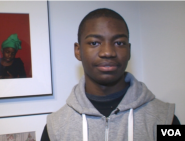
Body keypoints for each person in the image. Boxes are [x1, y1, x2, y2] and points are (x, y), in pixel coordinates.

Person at [41, 8, 180, 141]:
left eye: (119, 43)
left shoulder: (166, 119)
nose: (108, 52)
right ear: (78, 51)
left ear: (129, 50)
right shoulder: (54, 128)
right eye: (94, 43)